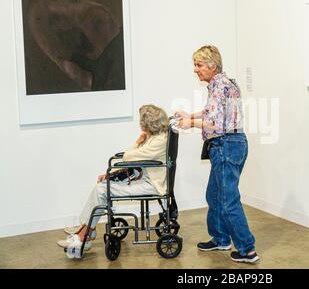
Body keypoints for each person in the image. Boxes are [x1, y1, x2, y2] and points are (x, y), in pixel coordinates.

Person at [176, 45, 259, 263]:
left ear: (212, 66)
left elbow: (213, 123)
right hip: (233, 143)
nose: (195, 69)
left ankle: (247, 249)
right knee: (214, 195)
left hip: (226, 146)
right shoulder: (222, 83)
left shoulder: (219, 85)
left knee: (228, 199)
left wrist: (189, 123)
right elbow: (211, 113)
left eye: (199, 65)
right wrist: (190, 115)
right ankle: (221, 238)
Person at [57, 104, 169, 250]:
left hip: (152, 185)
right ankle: (86, 229)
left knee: (102, 190)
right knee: (103, 186)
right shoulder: (157, 138)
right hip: (146, 179)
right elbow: (132, 160)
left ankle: (85, 233)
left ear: (146, 124)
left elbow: (128, 157)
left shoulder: (157, 142)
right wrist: (111, 175)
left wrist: (137, 143)